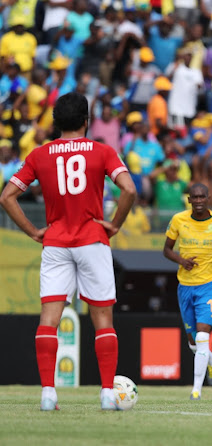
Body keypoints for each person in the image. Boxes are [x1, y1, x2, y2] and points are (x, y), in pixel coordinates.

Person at [0, 92, 137, 410]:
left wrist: (34, 231)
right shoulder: (102, 151)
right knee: (102, 318)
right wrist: (114, 224)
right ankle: (106, 394)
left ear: (55, 122)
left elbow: (7, 196)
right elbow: (129, 189)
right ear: (87, 122)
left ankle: (48, 394)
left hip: (56, 242)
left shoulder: (39, 154)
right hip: (92, 239)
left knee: (49, 318)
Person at [163, 183, 212, 401]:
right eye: (193, 197)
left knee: (203, 335)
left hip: (209, 286)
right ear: (188, 200)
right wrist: (181, 260)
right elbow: (166, 249)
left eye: (201, 197)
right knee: (193, 342)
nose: (198, 201)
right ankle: (211, 360)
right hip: (185, 286)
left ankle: (196, 390)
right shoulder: (178, 220)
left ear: (208, 197)